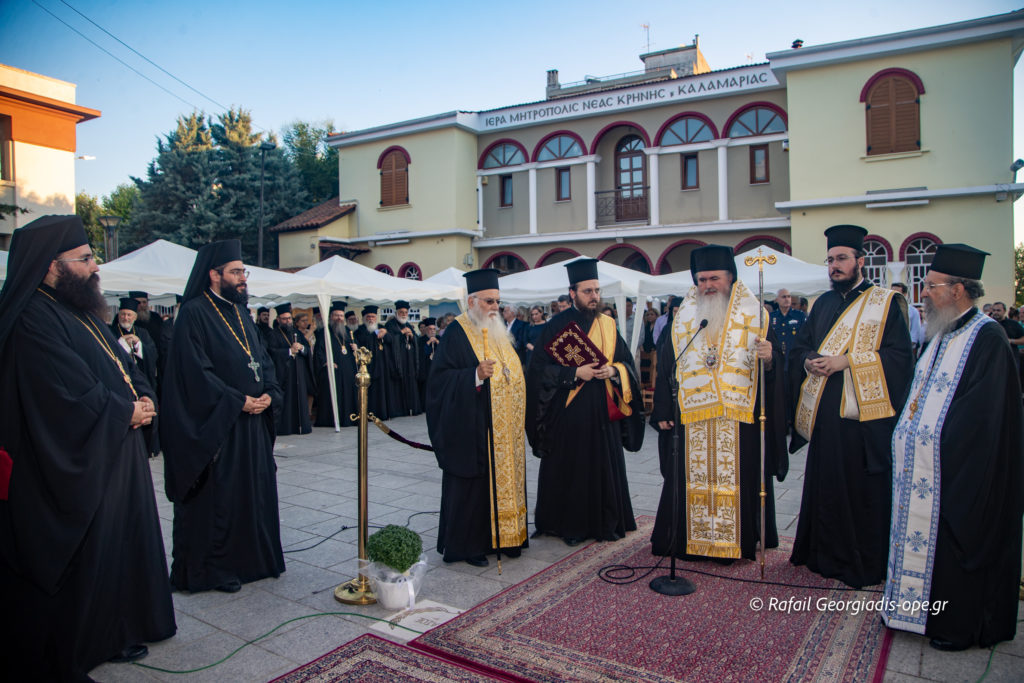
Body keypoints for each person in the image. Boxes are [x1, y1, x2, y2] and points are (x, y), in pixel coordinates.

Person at [0, 215, 174, 679]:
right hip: (76, 460)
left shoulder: (82, 313)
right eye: (85, 259)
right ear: (50, 267)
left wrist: (145, 396)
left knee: (119, 546)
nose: (96, 267)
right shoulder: (32, 317)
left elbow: (124, 365)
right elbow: (61, 394)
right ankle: (85, 641)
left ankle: (115, 629)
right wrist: (124, 413)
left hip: (116, 449)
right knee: (91, 552)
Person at [882, 244, 1023, 651]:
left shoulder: (988, 338)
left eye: (931, 286)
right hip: (924, 466)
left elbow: (982, 417)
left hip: (961, 471)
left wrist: (929, 442)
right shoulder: (940, 331)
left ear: (959, 289)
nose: (923, 293)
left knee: (955, 543)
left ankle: (955, 624)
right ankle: (914, 611)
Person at [789, 224, 913, 588]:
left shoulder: (885, 302)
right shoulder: (823, 303)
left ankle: (858, 558)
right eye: (829, 260)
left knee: (858, 488)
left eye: (841, 258)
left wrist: (848, 362)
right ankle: (820, 553)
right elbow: (800, 347)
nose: (834, 266)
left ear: (861, 261)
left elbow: (900, 357)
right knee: (826, 483)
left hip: (863, 421)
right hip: (826, 416)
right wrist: (809, 360)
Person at [161, 239, 285, 594]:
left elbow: (262, 361)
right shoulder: (194, 313)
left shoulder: (241, 313)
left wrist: (269, 393)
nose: (243, 278)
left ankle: (256, 561)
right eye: (235, 272)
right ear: (214, 275)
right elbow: (194, 373)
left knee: (255, 494)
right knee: (222, 499)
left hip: (253, 424)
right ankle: (216, 570)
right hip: (220, 427)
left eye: (243, 271)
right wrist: (237, 400)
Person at [649, 245, 787, 561]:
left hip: (740, 418)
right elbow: (668, 361)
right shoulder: (683, 316)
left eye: (714, 278)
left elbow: (776, 364)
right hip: (692, 416)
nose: (708, 286)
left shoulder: (756, 314)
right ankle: (688, 542)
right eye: (702, 279)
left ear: (730, 278)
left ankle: (736, 543)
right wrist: (662, 410)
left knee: (739, 478)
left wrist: (769, 360)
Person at [526, 259, 644, 546]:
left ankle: (608, 521)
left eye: (596, 290)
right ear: (572, 293)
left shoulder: (609, 325)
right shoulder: (556, 326)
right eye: (587, 291)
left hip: (604, 411)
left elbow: (627, 363)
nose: (594, 296)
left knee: (604, 465)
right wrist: (573, 373)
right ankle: (570, 525)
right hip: (569, 413)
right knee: (573, 468)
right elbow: (538, 371)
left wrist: (614, 371)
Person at [427, 269, 529, 566]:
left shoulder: (499, 332)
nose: (495, 307)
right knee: (474, 490)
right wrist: (473, 375)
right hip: (473, 430)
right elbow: (439, 382)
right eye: (488, 301)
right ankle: (471, 546)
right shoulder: (457, 332)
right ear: (471, 301)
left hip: (505, 431)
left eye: (497, 301)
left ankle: (509, 536)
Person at [112, 296, 161, 456]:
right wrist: (122, 344)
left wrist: (139, 345)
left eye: (129, 315)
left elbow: (153, 354)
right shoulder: (110, 332)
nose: (125, 318)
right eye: (123, 314)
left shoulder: (142, 333)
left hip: (142, 382)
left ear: (135, 316)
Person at [266, 303, 313, 436]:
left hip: (298, 373)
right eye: (284, 319)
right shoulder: (273, 334)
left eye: (289, 319)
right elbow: (271, 352)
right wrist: (289, 351)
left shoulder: (296, 332)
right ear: (278, 320)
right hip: (284, 374)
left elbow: (307, 350)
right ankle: (286, 427)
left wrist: (302, 348)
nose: (287, 321)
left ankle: (302, 426)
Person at [314, 301, 357, 427]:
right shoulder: (324, 332)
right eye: (336, 315)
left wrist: (356, 347)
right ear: (331, 317)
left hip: (348, 371)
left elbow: (357, 350)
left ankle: (349, 419)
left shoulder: (348, 332)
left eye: (341, 316)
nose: (339, 318)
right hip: (333, 371)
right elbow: (318, 352)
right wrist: (325, 362)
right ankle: (332, 420)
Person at [384, 300, 422, 416]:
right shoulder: (390, 325)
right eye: (401, 312)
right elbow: (389, 339)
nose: (404, 314)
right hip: (398, 363)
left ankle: (413, 408)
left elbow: (417, 341)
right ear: (396, 313)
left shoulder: (409, 325)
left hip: (409, 362)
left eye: (406, 312)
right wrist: (401, 333)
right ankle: (400, 410)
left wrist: (412, 337)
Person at [354, 305, 390, 419]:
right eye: (368, 317)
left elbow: (390, 341)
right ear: (364, 318)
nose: (371, 319)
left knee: (381, 391)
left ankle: (382, 413)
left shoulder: (381, 328)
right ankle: (366, 413)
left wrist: (384, 334)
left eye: (373, 317)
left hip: (380, 366)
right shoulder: (359, 331)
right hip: (366, 367)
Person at [768, 288, 806, 373]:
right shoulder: (771, 317)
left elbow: (804, 336)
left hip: (795, 360)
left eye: (789, 297)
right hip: (778, 362)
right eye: (784, 297)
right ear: (777, 300)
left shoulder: (799, 316)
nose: (787, 299)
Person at [419, 317, 439, 406]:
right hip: (426, 368)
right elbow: (422, 353)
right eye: (430, 329)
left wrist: (437, 342)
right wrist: (428, 343)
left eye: (434, 329)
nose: (432, 331)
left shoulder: (439, 338)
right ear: (426, 329)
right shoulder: (421, 340)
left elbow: (444, 351)